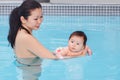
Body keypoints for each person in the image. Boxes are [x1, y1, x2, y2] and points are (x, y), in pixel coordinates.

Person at [7, 0, 66, 80]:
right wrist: (80, 51)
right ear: (23, 19)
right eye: (35, 19)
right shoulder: (26, 38)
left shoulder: (19, 31)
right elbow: (53, 57)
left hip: (26, 72)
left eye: (41, 17)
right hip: (30, 75)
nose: (40, 21)